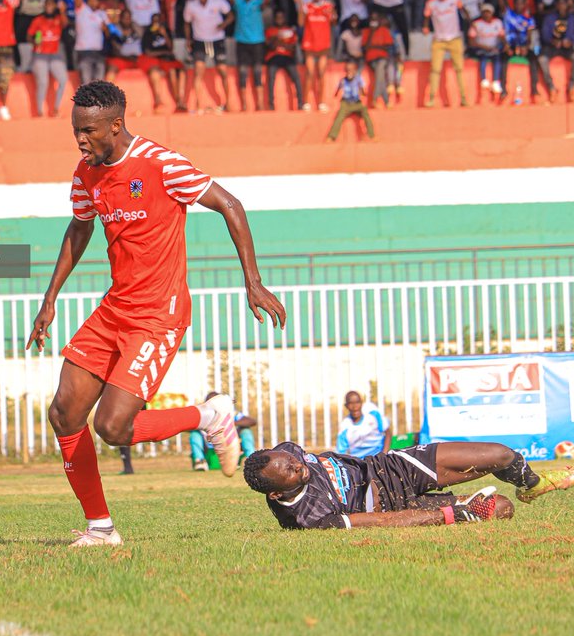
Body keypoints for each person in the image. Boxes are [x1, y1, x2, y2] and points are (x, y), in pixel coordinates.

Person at [27, 80, 286, 547]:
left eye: (88, 131)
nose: (81, 140)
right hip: (115, 308)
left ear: (116, 125)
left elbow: (230, 204)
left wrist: (253, 281)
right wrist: (50, 299)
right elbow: (79, 228)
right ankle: (101, 528)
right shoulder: (86, 173)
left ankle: (209, 415)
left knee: (112, 427)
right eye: (75, 132)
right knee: (65, 413)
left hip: (158, 314)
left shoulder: (161, 163)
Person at [244, 440, 574, 530]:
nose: (298, 465)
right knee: (501, 509)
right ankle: (483, 506)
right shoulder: (310, 517)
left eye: (293, 460)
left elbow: (295, 458)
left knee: (502, 456)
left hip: (390, 468)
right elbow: (382, 522)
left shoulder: (284, 453)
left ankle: (534, 485)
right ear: (276, 493)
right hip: (394, 506)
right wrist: (455, 513)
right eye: (290, 471)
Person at [182, 0, 233, 113]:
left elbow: (230, 15)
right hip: (200, 41)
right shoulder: (191, 5)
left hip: (217, 40)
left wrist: (223, 25)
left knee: (223, 71)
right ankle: (199, 105)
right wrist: (188, 39)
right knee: (198, 72)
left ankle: (228, 103)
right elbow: (187, 23)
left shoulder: (218, 1)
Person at [423, 0, 469, 108]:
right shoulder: (431, 2)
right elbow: (427, 16)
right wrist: (425, 27)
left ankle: (463, 98)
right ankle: (431, 98)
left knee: (459, 69)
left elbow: (462, 10)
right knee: (435, 69)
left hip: (455, 38)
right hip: (439, 40)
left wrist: (469, 21)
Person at [190, 394, 256, 471]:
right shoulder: (203, 416)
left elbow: (251, 421)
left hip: (229, 447)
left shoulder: (230, 413)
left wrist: (229, 424)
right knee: (195, 434)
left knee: (246, 431)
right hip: (208, 448)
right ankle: (200, 461)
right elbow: (188, 424)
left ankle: (252, 460)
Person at [27, 0, 68, 117]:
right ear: (44, 6)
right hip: (40, 55)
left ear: (54, 6)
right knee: (43, 82)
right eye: (47, 4)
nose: (49, 7)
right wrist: (35, 42)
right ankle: (39, 111)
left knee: (63, 80)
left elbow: (65, 24)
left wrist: (62, 11)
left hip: (55, 55)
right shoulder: (38, 20)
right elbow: (28, 36)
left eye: (51, 4)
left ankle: (56, 109)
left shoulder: (58, 19)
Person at [230, 0, 267, 112]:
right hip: (242, 40)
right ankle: (244, 104)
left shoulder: (258, 2)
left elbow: (266, 2)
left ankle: (260, 103)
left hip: (257, 40)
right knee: (242, 72)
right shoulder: (238, 2)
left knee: (257, 71)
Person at [299, 0, 335, 113]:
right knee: (309, 72)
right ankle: (306, 102)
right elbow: (300, 23)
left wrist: (332, 12)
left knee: (321, 73)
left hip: (323, 43)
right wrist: (300, 9)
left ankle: (321, 102)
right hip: (309, 42)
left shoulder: (327, 6)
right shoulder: (307, 7)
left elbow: (333, 21)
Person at [139, 13, 185, 113]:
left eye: (158, 21)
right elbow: (148, 52)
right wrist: (163, 52)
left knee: (177, 72)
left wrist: (164, 34)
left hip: (167, 59)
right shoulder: (148, 33)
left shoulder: (166, 31)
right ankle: (158, 101)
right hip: (153, 59)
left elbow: (171, 48)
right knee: (155, 73)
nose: (157, 23)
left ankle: (179, 100)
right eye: (155, 21)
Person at [539, 0, 574, 103]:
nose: (562, 6)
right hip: (552, 47)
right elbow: (544, 35)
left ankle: (571, 87)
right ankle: (552, 88)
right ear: (556, 6)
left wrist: (570, 41)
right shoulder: (549, 18)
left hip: (567, 47)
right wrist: (553, 41)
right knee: (542, 59)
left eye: (564, 4)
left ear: (568, 6)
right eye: (560, 4)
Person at [73, 0, 110, 84]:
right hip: (84, 52)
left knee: (99, 84)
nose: (93, 2)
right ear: (87, 1)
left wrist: (105, 29)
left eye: (95, 0)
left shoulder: (102, 14)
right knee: (85, 83)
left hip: (98, 52)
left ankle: (96, 103)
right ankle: (84, 103)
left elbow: (109, 34)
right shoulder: (82, 10)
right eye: (91, 0)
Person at [263, 9, 305, 111]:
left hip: (287, 57)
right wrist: (277, 38)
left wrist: (281, 43)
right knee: (271, 78)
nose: (279, 20)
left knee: (296, 78)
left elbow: (292, 48)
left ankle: (300, 103)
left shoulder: (290, 30)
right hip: (273, 57)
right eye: (277, 18)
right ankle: (271, 105)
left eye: (281, 17)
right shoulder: (270, 30)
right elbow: (270, 46)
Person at [326, 60, 374, 142]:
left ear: (355, 71)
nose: (349, 72)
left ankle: (371, 135)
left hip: (357, 102)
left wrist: (360, 90)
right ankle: (331, 136)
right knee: (339, 116)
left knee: (365, 113)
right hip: (346, 103)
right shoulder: (343, 80)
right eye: (347, 70)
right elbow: (336, 93)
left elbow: (363, 93)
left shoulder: (359, 79)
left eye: (351, 70)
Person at [468, 2, 506, 97]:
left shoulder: (497, 22)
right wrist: (484, 47)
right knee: (483, 58)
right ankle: (484, 79)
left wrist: (503, 46)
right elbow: (471, 41)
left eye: (488, 12)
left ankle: (495, 81)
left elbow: (502, 37)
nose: (486, 14)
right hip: (481, 48)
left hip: (494, 49)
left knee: (497, 59)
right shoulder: (476, 24)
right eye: (484, 12)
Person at [335, 390, 389, 457]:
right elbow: (340, 453)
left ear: (362, 403)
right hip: (361, 464)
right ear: (346, 406)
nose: (355, 407)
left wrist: (383, 455)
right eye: (351, 403)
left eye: (357, 402)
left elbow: (387, 432)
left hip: (380, 457)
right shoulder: (344, 426)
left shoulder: (373, 413)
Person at [361, 12, 398, 109]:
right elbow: (365, 47)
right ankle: (386, 101)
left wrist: (374, 46)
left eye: (375, 20)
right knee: (380, 76)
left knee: (380, 70)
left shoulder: (384, 30)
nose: (374, 22)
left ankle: (375, 98)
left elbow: (387, 46)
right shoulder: (366, 31)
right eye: (372, 20)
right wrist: (372, 33)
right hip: (371, 59)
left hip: (382, 58)